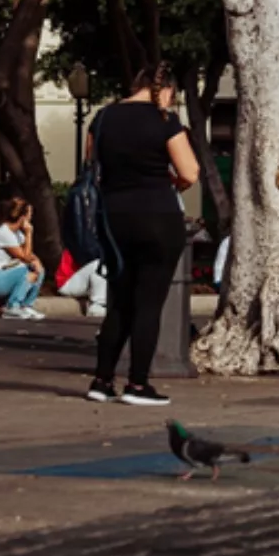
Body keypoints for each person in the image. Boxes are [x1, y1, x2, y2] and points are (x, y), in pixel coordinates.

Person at [85, 63, 201, 407]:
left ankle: (101, 380)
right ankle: (137, 383)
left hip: (114, 219)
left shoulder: (103, 118)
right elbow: (190, 171)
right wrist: (172, 182)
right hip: (158, 217)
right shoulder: (165, 121)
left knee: (120, 301)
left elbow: (92, 163)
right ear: (166, 90)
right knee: (148, 304)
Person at [0, 197, 46, 320]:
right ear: (22, 218)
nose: (31, 218)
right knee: (26, 270)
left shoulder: (16, 234)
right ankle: (11, 307)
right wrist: (29, 233)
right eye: (29, 215)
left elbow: (30, 256)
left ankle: (25, 306)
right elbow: (25, 257)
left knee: (39, 270)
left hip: (0, 275)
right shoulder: (3, 232)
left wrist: (37, 263)